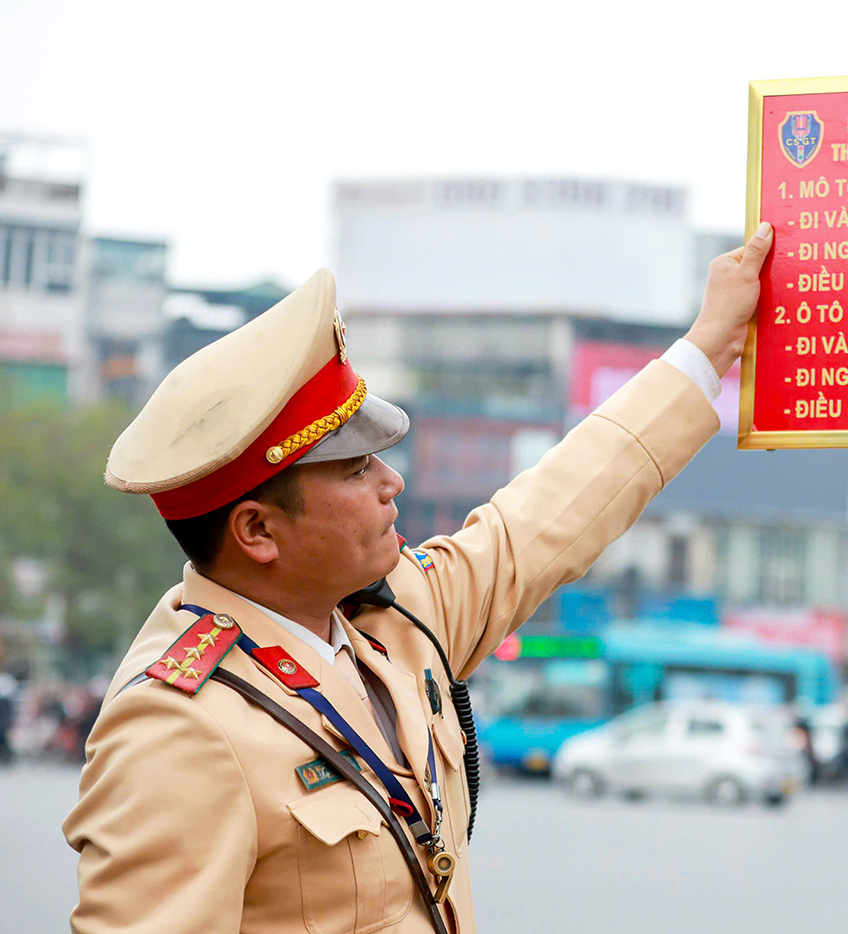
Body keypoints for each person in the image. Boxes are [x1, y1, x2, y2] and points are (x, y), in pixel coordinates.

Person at [62, 223, 773, 934]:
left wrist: (709, 344)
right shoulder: (177, 725)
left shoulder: (392, 615)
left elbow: (552, 513)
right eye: (355, 469)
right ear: (257, 530)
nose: (391, 481)